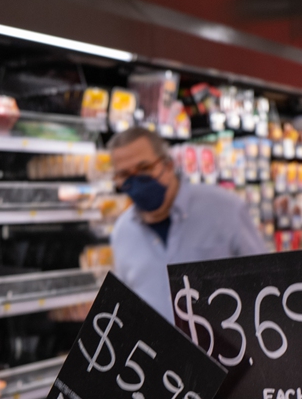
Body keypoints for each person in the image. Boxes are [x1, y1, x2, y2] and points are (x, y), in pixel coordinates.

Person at [108, 127, 266, 321]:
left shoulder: (226, 210)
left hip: (226, 349)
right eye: (124, 175)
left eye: (144, 169)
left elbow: (265, 283)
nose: (137, 182)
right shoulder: (122, 233)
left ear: (168, 165)